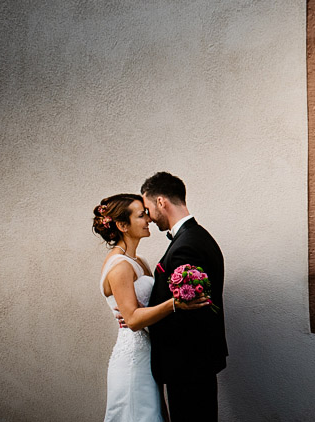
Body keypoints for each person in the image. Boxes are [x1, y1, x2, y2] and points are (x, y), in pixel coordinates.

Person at [94, 194, 208, 422]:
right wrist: (175, 304)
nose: (148, 219)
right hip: (132, 361)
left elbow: (145, 308)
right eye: (140, 215)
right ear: (122, 225)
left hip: (148, 357)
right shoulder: (120, 266)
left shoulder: (139, 261)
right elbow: (134, 320)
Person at [142, 172, 228, 422]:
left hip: (187, 364)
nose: (148, 217)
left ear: (161, 202)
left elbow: (186, 310)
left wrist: (140, 318)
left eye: (147, 208)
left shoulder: (187, 245)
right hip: (194, 363)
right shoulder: (196, 236)